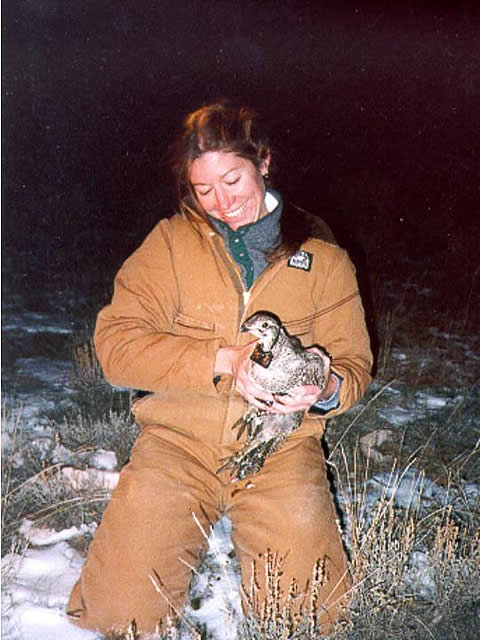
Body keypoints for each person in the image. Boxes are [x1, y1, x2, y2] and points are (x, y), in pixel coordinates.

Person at [67, 100, 372, 636]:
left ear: (264, 162)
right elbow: (114, 345)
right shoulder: (169, 245)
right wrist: (220, 360)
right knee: (119, 617)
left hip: (279, 449)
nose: (222, 203)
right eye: (203, 190)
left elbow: (354, 365)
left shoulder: (324, 258)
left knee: (307, 623)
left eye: (232, 180)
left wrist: (323, 387)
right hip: (177, 445)